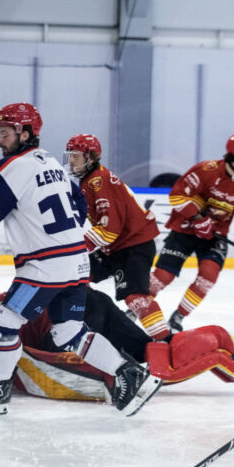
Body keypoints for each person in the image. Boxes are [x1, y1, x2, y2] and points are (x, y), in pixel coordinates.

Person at [0, 103, 162, 418]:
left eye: (4, 133)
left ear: (26, 133)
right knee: (68, 331)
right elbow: (80, 205)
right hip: (77, 262)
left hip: (44, 268)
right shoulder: (55, 166)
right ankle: (127, 372)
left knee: (3, 321)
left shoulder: (13, 166)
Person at [0, 287, 234, 401]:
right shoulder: (2, 299)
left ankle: (216, 354)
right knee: (150, 352)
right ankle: (219, 340)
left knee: (101, 367)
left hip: (72, 321)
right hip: (91, 300)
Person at [150, 133, 234, 333]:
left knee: (208, 276)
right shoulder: (206, 171)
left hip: (214, 237)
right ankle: (139, 308)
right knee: (163, 276)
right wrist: (198, 218)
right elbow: (176, 195)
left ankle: (178, 317)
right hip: (185, 230)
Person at [65, 134, 169, 339]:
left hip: (135, 246)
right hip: (115, 247)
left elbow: (110, 230)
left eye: (76, 156)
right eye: (69, 155)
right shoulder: (90, 181)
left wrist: (80, 247)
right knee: (76, 275)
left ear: (91, 158)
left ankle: (165, 341)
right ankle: (80, 328)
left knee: (136, 298)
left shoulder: (98, 181)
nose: (70, 160)